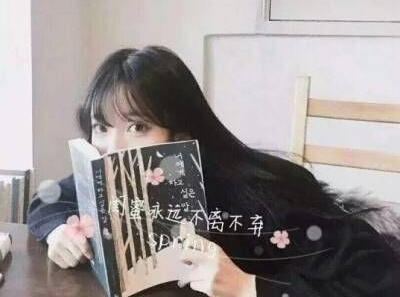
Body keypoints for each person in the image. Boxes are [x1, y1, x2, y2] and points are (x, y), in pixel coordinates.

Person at [28, 46, 400, 296]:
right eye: (101, 127)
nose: (113, 148)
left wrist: (248, 288)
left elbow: (382, 278)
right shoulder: (113, 177)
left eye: (138, 127)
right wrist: (59, 231)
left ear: (180, 135)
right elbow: (48, 199)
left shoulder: (260, 197)